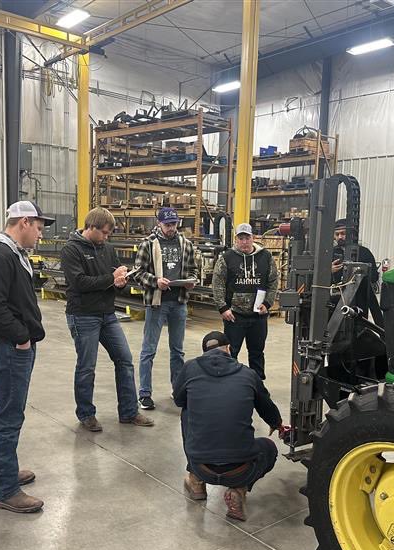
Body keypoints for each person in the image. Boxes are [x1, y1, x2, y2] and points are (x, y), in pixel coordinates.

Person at [0, 200, 53, 513]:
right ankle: (6, 489)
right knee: (8, 416)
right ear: (23, 222)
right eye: (38, 227)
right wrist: (21, 337)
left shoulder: (11, 253)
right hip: (8, 347)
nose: (39, 235)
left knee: (6, 413)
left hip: (12, 346)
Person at [60, 207, 154, 432]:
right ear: (90, 227)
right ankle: (86, 414)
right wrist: (110, 278)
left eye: (108, 234)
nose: (106, 237)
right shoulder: (71, 250)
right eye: (103, 232)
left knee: (124, 360)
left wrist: (119, 282)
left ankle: (129, 411)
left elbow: (109, 281)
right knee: (86, 367)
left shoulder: (108, 249)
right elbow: (80, 283)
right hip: (83, 315)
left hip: (107, 314)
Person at [173, 331, 283, 522]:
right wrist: (277, 423)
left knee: (187, 410)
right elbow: (267, 407)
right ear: (229, 349)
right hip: (241, 470)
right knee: (269, 448)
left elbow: (178, 399)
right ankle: (239, 490)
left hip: (201, 466)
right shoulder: (248, 374)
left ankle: (196, 481)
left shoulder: (190, 368)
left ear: (203, 353)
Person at [133, 207, 196, 410]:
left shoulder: (185, 244)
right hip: (157, 303)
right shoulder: (148, 244)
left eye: (174, 224)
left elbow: (194, 269)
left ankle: (177, 389)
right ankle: (144, 394)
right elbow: (138, 272)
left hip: (179, 302)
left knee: (177, 351)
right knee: (148, 350)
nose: (171, 228)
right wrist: (155, 281)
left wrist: (192, 281)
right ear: (158, 223)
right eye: (167, 224)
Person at [212, 223, 279, 380]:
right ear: (236, 239)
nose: (244, 241)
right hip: (234, 316)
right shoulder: (226, 258)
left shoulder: (266, 257)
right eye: (240, 238)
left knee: (257, 353)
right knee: (231, 352)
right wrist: (223, 308)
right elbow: (218, 283)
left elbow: (273, 281)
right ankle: (231, 384)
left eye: (247, 238)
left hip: (258, 316)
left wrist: (268, 303)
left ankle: (257, 386)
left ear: (252, 238)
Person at [331, 218, 379, 319]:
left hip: (359, 297)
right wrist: (329, 271)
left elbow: (374, 277)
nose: (340, 237)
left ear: (351, 234)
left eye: (343, 233)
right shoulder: (331, 254)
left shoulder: (364, 252)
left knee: (359, 326)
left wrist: (360, 273)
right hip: (337, 298)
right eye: (337, 234)